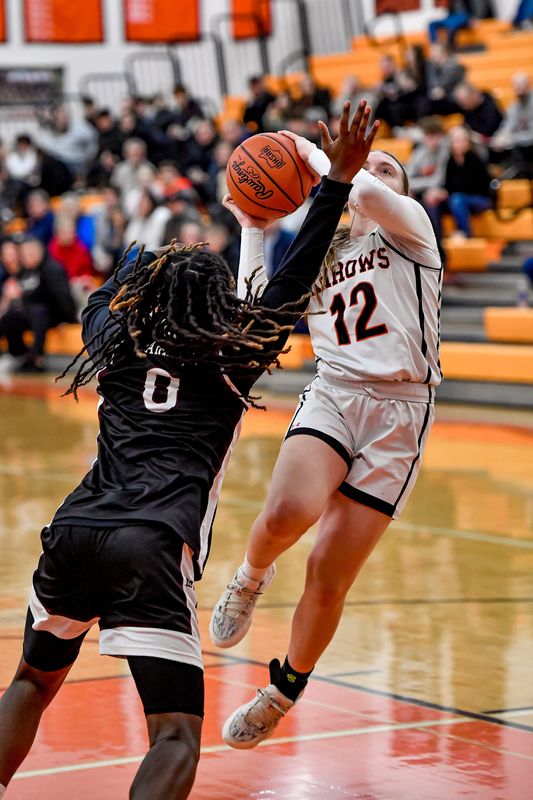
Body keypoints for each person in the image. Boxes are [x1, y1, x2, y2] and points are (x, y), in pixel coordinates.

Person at [0, 100, 379, 800]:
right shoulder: (232, 358)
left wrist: (155, 260)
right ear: (221, 312)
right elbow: (290, 285)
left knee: (30, 682)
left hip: (75, 529)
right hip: (152, 543)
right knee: (174, 735)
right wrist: (321, 191)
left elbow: (108, 292)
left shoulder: (111, 344)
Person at [210, 122, 442, 750]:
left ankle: (283, 691)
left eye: (389, 167)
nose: (377, 171)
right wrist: (252, 228)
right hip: (336, 392)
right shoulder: (322, 246)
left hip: (401, 412)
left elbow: (364, 192)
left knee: (327, 572)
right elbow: (256, 303)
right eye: (374, 164)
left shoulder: (411, 229)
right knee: (288, 511)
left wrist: (327, 161)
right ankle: (252, 575)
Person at [0, 236, 76, 372]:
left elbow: (64, 298)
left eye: (28, 255)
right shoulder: (25, 271)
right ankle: (18, 354)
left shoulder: (52, 269)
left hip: (52, 315)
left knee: (38, 311)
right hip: (31, 314)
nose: (24, 258)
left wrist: (68, 319)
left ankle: (37, 358)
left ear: (38, 252)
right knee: (9, 317)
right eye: (23, 255)